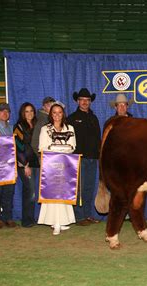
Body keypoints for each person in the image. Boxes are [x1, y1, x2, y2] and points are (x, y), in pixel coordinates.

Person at [38, 103, 76, 235]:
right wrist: (57, 149)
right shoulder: (45, 129)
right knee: (53, 193)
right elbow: (42, 147)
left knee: (64, 193)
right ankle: (55, 222)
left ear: (63, 114)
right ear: (51, 114)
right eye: (54, 112)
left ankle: (63, 220)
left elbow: (72, 146)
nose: (57, 115)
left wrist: (62, 150)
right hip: (51, 165)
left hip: (65, 165)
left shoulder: (69, 128)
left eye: (60, 112)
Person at [67, 88, 101, 226]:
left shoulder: (94, 118)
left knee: (89, 187)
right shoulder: (72, 118)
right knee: (79, 188)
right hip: (78, 158)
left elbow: (98, 138)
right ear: (77, 101)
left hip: (93, 158)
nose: (85, 102)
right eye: (82, 100)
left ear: (90, 102)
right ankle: (79, 216)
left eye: (87, 100)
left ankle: (88, 214)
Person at [13, 102, 39, 227]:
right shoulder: (18, 127)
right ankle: (27, 220)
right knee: (30, 190)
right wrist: (25, 165)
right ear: (23, 113)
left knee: (31, 191)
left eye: (31, 111)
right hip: (25, 163)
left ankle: (30, 218)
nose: (29, 113)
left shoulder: (37, 125)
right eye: (26, 111)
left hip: (36, 162)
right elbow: (18, 147)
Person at [31, 96, 56, 161]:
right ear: (43, 107)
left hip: (55, 155)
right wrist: (40, 155)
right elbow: (35, 141)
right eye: (48, 105)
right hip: (45, 157)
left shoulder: (56, 119)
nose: (51, 107)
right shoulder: (41, 121)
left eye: (53, 105)